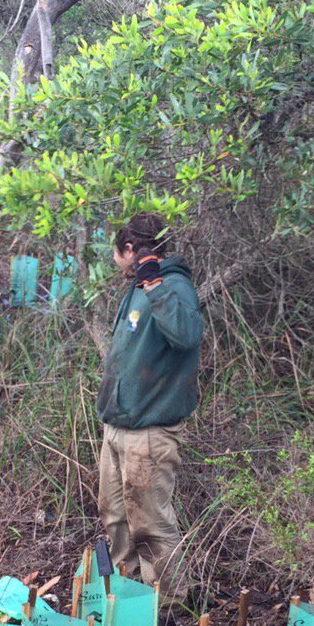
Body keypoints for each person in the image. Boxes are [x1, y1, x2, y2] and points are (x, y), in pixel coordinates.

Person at [95, 211, 205, 601]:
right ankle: (126, 599)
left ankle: (170, 604)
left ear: (128, 249)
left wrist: (156, 285)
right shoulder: (138, 286)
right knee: (115, 518)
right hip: (118, 425)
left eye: (117, 252)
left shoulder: (172, 286)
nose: (115, 261)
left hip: (150, 431)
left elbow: (187, 335)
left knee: (150, 524)